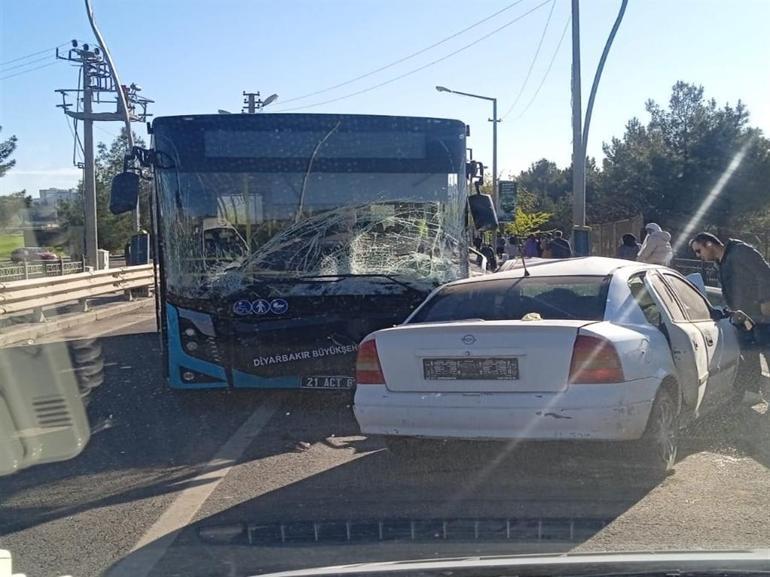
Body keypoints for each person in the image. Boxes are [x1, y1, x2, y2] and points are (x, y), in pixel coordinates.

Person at [690, 232, 770, 327]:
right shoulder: (719, 265)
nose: (698, 255)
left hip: (761, 317)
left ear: (708, 244)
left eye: (698, 251)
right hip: (743, 320)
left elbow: (764, 273)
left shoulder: (739, 251)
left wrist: (766, 300)